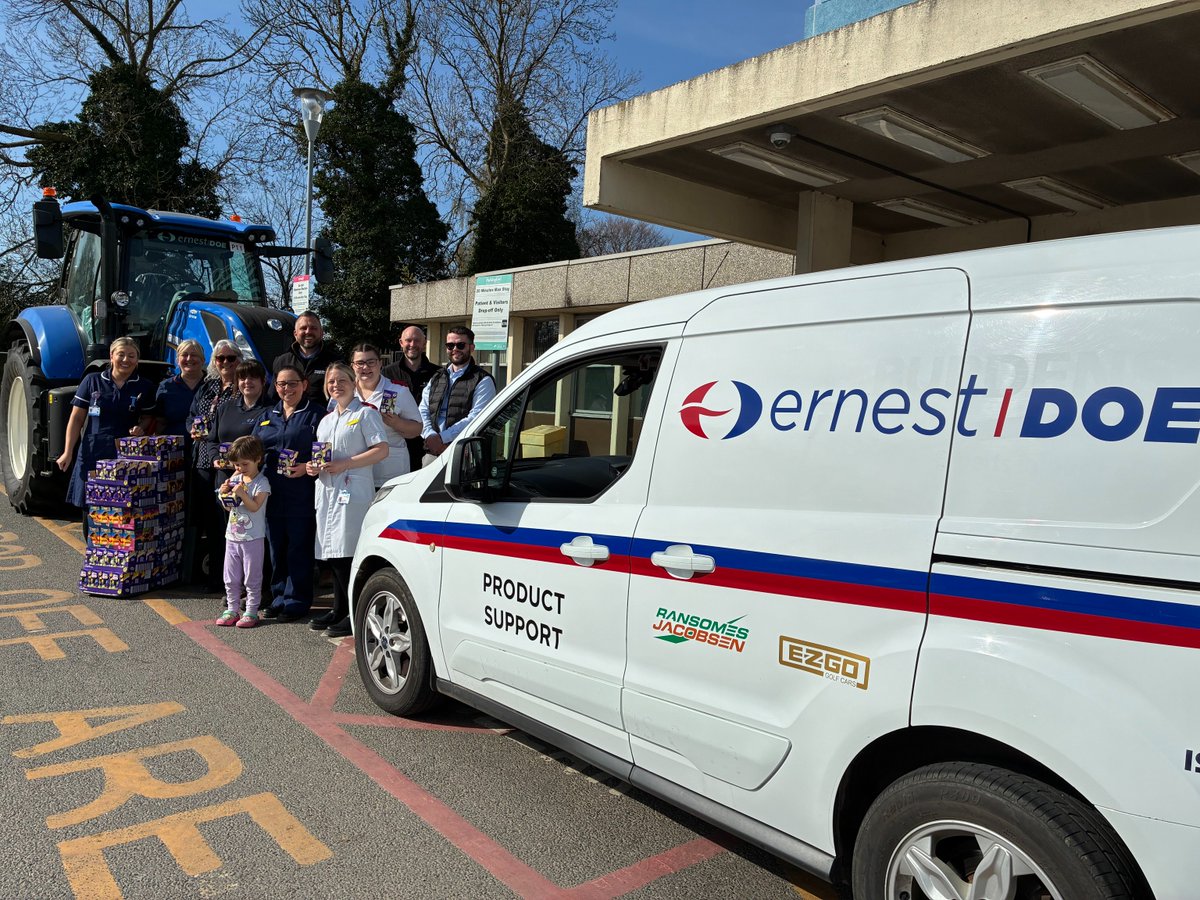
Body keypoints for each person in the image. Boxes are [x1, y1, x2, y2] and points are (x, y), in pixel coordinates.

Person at [307, 363, 388, 638]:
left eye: (342, 380)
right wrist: (312, 467)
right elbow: (322, 455)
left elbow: (381, 450)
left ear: (354, 384)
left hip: (352, 492)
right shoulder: (326, 420)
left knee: (347, 554)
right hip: (328, 491)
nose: (336, 385)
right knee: (333, 554)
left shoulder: (366, 414)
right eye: (331, 381)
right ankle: (339, 609)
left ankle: (354, 614)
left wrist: (346, 463)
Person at [55, 337, 156, 537]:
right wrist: (67, 452)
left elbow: (148, 417)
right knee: (92, 508)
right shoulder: (92, 381)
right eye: (121, 354)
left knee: (122, 509)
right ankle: (92, 551)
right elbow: (76, 418)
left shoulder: (144, 386)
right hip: (93, 453)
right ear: (111, 356)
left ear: (137, 360)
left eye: (131, 356)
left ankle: (114, 554)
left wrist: (141, 428)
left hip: (124, 458)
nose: (125, 360)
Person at [253, 364, 323, 622]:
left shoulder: (317, 415)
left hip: (301, 493)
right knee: (276, 548)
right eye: (282, 384)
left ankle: (296, 600)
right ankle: (279, 596)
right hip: (271, 493)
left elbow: (325, 452)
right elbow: (253, 450)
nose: (287, 389)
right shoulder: (266, 415)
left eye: (292, 383)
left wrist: (307, 466)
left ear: (304, 385)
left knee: (298, 548)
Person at [187, 340, 242, 591]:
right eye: (221, 358)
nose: (225, 363)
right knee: (210, 521)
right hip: (203, 460)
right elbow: (192, 415)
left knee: (228, 521)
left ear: (239, 360)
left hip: (228, 464)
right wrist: (192, 428)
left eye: (231, 358)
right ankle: (215, 575)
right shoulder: (207, 386)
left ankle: (231, 578)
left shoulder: (242, 386)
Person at [215, 436, 271, 629]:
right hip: (232, 536)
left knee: (252, 577)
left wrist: (241, 494)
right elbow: (228, 507)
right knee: (230, 577)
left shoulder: (262, 483)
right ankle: (232, 609)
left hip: (253, 538)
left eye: (244, 464)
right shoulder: (235, 479)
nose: (240, 468)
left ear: (258, 459)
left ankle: (251, 611)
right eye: (236, 464)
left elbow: (254, 507)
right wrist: (224, 494)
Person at [418, 325, 497, 463]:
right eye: (450, 345)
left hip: (464, 454)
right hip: (432, 451)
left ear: (472, 348)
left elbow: (476, 418)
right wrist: (430, 435)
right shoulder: (437, 377)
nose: (455, 349)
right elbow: (423, 410)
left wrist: (442, 438)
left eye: (460, 345)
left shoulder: (483, 380)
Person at [349, 343, 422, 487]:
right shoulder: (344, 390)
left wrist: (397, 423)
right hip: (354, 472)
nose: (365, 367)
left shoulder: (396, 390)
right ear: (352, 366)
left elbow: (417, 429)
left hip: (388, 472)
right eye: (360, 363)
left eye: (371, 362)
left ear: (380, 364)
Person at [383, 325, 439, 473]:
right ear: (401, 343)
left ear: (424, 343)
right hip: (398, 443)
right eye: (408, 340)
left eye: (417, 340)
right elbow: (387, 409)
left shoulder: (438, 374)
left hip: (428, 444)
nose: (412, 344)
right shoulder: (388, 373)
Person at [272, 311, 342, 404]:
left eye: (313, 328)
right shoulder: (282, 361)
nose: (308, 332)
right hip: (290, 413)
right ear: (295, 334)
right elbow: (273, 398)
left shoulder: (336, 362)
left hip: (322, 413)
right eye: (303, 328)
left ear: (321, 333)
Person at [154, 339, 206, 437]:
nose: (189, 359)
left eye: (194, 355)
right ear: (178, 360)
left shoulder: (213, 385)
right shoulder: (166, 386)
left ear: (202, 360)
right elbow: (159, 422)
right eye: (184, 355)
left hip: (205, 443)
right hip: (174, 444)